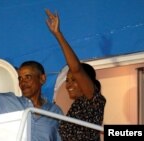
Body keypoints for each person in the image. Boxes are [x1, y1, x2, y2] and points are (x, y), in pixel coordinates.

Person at [45, 9, 106, 141]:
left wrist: (58, 34)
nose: (68, 85)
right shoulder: (77, 106)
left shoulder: (93, 101)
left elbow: (76, 68)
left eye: (74, 80)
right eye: (67, 80)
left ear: (87, 81)